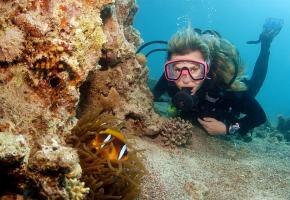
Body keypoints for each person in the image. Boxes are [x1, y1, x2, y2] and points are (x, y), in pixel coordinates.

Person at [151, 19, 282, 137]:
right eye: (177, 69)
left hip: (226, 97)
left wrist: (228, 128)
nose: (185, 79)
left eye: (195, 69)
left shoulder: (224, 84)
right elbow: (151, 97)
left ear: (207, 68)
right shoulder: (171, 77)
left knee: (253, 87)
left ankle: (266, 43)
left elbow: (259, 116)